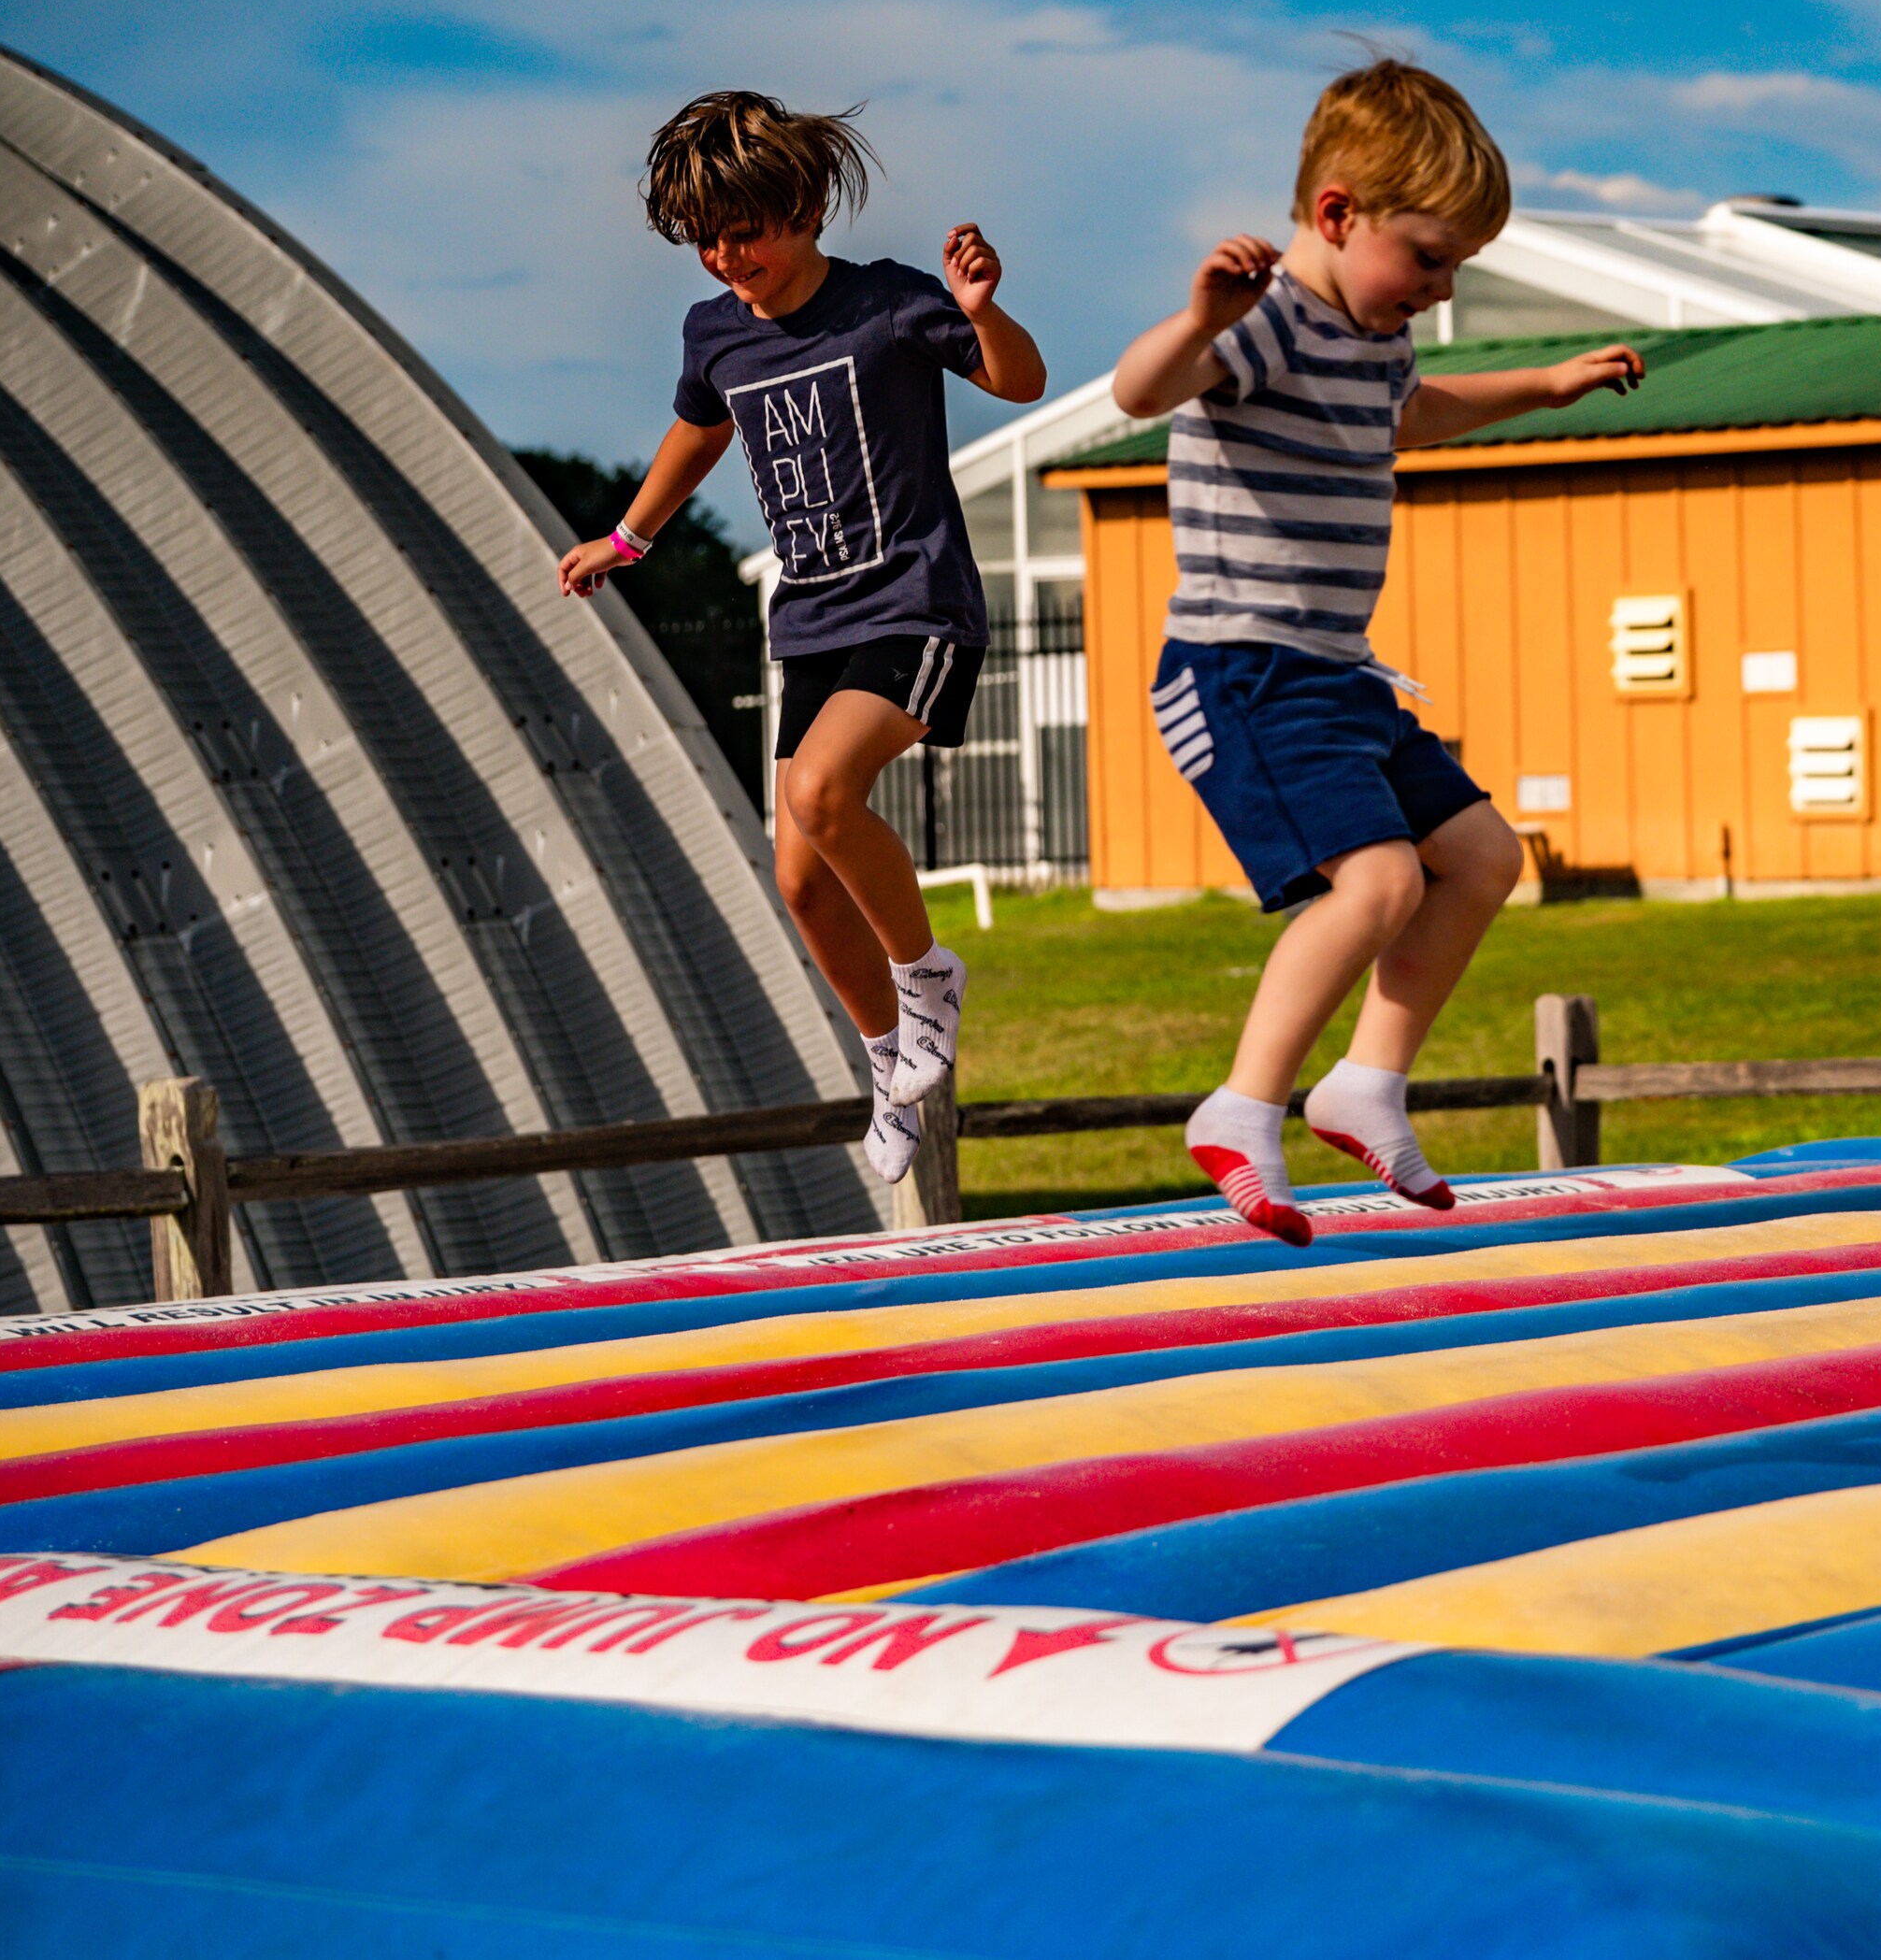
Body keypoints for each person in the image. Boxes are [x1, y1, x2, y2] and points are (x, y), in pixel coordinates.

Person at [1111, 60, 1643, 1242]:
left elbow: (1420, 410)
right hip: (1240, 669)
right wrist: (1202, 315)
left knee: (1485, 856)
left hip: (1339, 676)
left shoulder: (1370, 340)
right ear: (1340, 214)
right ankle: (1243, 1106)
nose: (1441, 290)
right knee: (1383, 879)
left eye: (1458, 266)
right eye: (1431, 256)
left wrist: (1548, 385)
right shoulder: (1264, 326)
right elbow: (1141, 391)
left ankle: (1366, 1082)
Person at [557, 91, 1048, 1184]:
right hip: (814, 621)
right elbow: (699, 431)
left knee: (825, 794)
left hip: (915, 607)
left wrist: (981, 308)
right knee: (800, 875)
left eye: (749, 231)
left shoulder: (888, 305)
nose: (732, 259)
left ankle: (927, 975)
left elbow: (1021, 381)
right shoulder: (716, 333)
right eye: (708, 242)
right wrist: (627, 540)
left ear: (807, 205)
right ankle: (889, 1057)